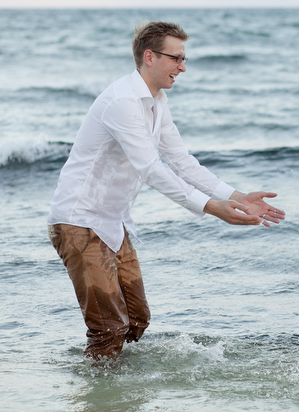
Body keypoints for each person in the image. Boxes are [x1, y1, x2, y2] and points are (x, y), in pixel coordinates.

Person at [47, 21, 285, 361]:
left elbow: (181, 162)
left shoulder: (157, 102)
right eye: (176, 58)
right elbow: (150, 169)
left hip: (112, 223)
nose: (182, 67)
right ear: (150, 57)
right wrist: (210, 207)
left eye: (184, 59)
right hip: (78, 222)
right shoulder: (122, 101)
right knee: (109, 328)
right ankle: (98, 393)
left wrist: (236, 197)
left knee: (137, 320)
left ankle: (116, 384)